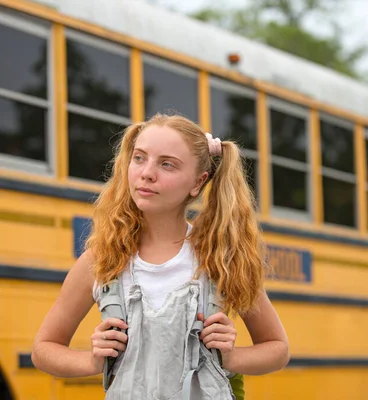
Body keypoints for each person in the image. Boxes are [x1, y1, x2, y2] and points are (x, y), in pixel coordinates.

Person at [32, 114, 290, 399]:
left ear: (197, 182)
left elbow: (277, 348)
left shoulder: (220, 259)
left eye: (167, 164)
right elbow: (44, 349)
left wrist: (229, 357)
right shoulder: (102, 261)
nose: (147, 173)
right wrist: (93, 360)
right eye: (139, 158)